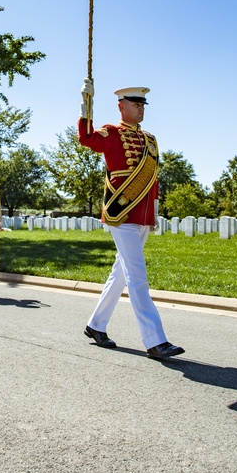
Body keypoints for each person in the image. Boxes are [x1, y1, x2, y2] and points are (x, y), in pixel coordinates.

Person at [78, 82, 184, 361]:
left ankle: (95, 325)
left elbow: (153, 181)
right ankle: (155, 340)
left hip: (143, 214)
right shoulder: (111, 133)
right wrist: (85, 103)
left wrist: (155, 213)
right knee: (137, 276)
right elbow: (87, 139)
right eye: (136, 105)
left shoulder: (150, 140)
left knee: (121, 274)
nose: (140, 109)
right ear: (121, 106)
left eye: (142, 106)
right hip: (122, 212)